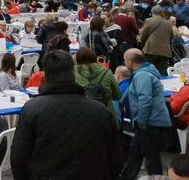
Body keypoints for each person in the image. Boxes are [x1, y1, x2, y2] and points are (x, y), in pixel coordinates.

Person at [11, 50, 122, 180]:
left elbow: (19, 157)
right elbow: (116, 157)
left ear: (45, 76)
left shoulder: (32, 109)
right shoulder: (101, 111)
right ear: (73, 73)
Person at [120, 48, 172, 179]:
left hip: (150, 121)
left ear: (131, 61)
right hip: (148, 120)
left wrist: (141, 121)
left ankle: (156, 177)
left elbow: (145, 100)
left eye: (125, 59)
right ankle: (127, 176)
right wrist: (121, 102)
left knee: (151, 155)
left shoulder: (142, 76)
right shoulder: (142, 73)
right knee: (136, 152)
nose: (124, 62)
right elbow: (129, 93)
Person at [74, 48, 121, 114]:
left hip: (81, 113)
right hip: (105, 112)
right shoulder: (107, 72)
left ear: (77, 59)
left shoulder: (72, 74)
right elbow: (117, 95)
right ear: (94, 57)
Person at [139, 6, 173, 76]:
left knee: (148, 71)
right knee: (161, 72)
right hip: (165, 51)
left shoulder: (149, 21)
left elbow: (142, 35)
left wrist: (143, 43)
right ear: (161, 13)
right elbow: (171, 37)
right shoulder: (168, 23)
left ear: (152, 12)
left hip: (150, 50)